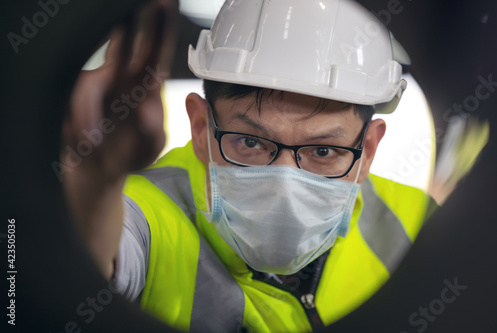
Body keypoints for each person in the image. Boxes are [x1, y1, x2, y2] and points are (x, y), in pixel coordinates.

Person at [62, 0, 431, 332]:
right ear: (202, 128)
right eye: (251, 142)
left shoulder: (414, 220)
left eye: (322, 151)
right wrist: (97, 178)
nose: (285, 186)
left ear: (367, 149)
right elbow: (89, 266)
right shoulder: (147, 211)